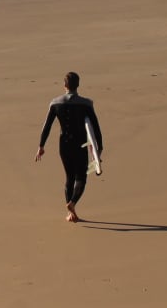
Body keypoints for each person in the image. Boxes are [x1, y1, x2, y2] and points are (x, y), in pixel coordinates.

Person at [35, 71, 103, 223]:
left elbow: (46, 126)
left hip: (63, 145)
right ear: (78, 85)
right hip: (79, 145)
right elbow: (96, 128)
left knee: (69, 177)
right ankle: (72, 203)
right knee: (81, 177)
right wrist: (99, 149)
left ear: (64, 85)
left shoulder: (55, 103)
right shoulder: (86, 104)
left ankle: (72, 214)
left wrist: (41, 145)